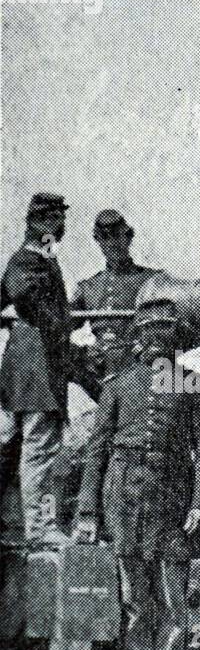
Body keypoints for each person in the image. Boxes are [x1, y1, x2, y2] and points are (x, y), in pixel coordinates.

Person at [74, 298, 200, 650]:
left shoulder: (193, 384)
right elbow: (97, 450)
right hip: (123, 496)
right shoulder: (118, 385)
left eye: (166, 334)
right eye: (149, 334)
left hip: (172, 496)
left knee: (174, 600)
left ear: (177, 342)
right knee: (135, 598)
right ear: (137, 341)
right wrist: (87, 512)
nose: (157, 342)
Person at [0, 192, 74, 550]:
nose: (62, 229)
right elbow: (20, 292)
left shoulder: (37, 258)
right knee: (40, 450)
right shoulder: (33, 257)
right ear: (46, 222)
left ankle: (18, 524)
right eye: (59, 221)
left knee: (9, 446)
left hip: (20, 370)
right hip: (38, 369)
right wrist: (57, 326)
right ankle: (41, 528)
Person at [70, 210, 162, 381]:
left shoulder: (152, 281)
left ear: (128, 237)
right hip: (99, 376)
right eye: (105, 237)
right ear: (97, 241)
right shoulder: (88, 287)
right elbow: (61, 324)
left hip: (138, 373)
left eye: (117, 236)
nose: (112, 243)